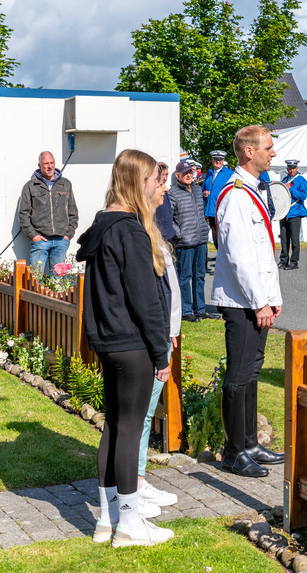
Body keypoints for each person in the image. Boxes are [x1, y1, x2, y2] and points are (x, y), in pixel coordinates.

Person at [77, 149, 173, 547]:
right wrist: (160, 353)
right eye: (153, 179)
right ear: (138, 182)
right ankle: (130, 525)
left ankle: (106, 520)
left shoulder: (103, 225)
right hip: (131, 343)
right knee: (130, 431)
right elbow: (144, 299)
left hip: (108, 342)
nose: (157, 185)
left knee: (114, 427)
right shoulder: (131, 231)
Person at [209, 125, 284, 478]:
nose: (273, 153)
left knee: (252, 371)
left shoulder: (255, 190)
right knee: (238, 376)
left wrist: (273, 297)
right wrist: (259, 302)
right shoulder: (236, 195)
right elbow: (240, 256)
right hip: (241, 302)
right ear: (249, 152)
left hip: (256, 299)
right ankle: (233, 451)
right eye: (268, 147)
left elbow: (263, 253)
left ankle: (250, 443)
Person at [137, 168, 180, 514]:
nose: (165, 188)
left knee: (144, 414)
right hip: (151, 340)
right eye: (160, 182)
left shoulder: (152, 228)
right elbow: (149, 298)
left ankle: (135, 481)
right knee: (142, 415)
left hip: (163, 334)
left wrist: (173, 329)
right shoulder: (139, 233)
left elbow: (169, 290)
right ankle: (134, 485)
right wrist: (161, 340)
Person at [168, 160, 214, 322]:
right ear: (178, 175)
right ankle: (186, 310)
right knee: (185, 276)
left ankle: (200, 308)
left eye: (190, 172)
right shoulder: (172, 193)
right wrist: (179, 234)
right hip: (185, 242)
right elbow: (170, 218)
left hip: (200, 239)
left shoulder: (196, 189)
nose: (189, 175)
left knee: (200, 275)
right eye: (185, 173)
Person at [19, 150, 79, 275]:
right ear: (39, 165)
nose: (50, 166)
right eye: (46, 163)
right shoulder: (30, 186)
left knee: (58, 280)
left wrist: (68, 235)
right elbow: (23, 214)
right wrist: (34, 236)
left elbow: (73, 211)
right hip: (40, 240)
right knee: (36, 279)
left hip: (61, 240)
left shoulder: (65, 184)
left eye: (52, 163)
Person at [278, 159, 307, 270]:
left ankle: (294, 262)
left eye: (293, 168)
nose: (291, 170)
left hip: (295, 212)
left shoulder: (301, 180)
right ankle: (283, 260)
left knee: (294, 239)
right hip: (284, 212)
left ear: (297, 168)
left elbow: (303, 196)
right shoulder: (285, 179)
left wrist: (292, 189)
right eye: (289, 168)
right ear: (287, 169)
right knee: (284, 238)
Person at [201, 150, 232, 233]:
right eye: (215, 159)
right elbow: (203, 188)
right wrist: (203, 193)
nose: (218, 161)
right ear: (212, 160)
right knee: (215, 238)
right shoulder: (209, 174)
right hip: (211, 212)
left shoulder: (230, 174)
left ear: (223, 160)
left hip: (223, 212)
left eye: (220, 159)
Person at [153, 163, 175, 241]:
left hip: (169, 235)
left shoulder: (166, 191)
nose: (165, 177)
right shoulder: (153, 193)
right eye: (163, 175)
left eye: (167, 174)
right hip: (159, 237)